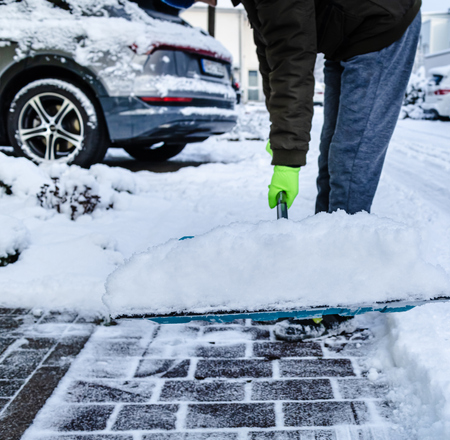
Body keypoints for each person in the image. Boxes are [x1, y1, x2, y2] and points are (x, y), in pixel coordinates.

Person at [161, 0, 421, 340]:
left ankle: (339, 297)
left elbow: (294, 64)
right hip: (346, 40)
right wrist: (281, 136)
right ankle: (322, 272)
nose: (207, 1)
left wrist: (288, 158)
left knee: (351, 158)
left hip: (385, 25)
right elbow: (275, 60)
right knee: (332, 155)